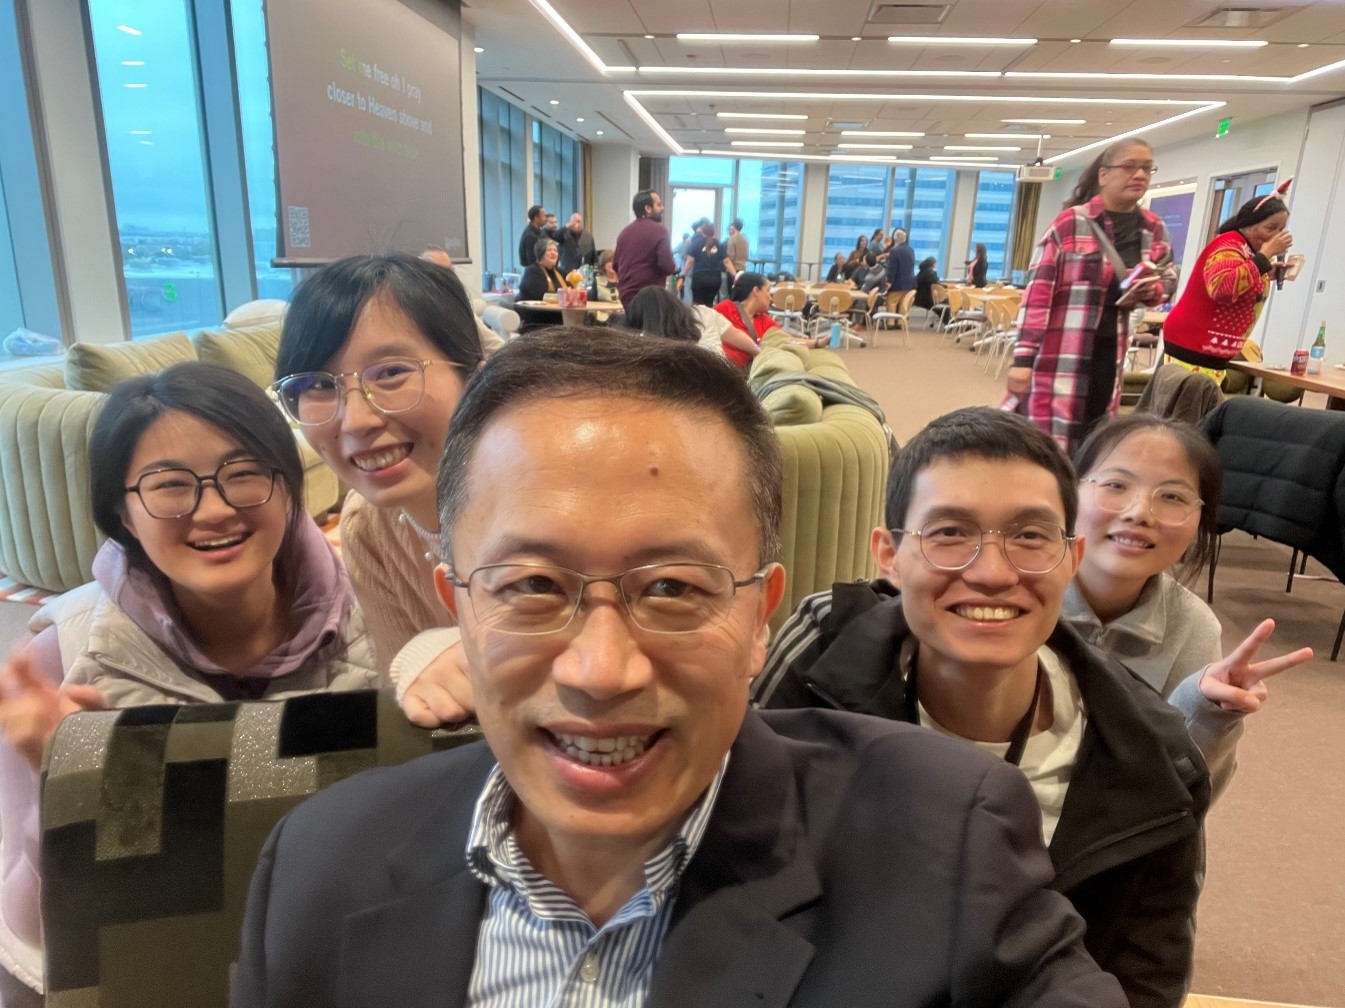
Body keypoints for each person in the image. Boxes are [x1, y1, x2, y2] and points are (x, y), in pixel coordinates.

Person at [234, 330, 1128, 1008]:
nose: (601, 669)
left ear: (756, 616)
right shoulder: (319, 865)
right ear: (458, 605)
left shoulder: (944, 842)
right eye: (531, 585)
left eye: (671, 588)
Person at [753, 406, 1210, 1008]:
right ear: (888, 555)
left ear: (1070, 557)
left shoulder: (1154, 759)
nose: (993, 573)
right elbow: (741, 881)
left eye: (1030, 536)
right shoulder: (820, 657)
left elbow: (1144, 979)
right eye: (949, 534)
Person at [0, 362, 376, 1004]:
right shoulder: (61, 662)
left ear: (289, 487)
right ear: (122, 512)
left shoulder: (380, 624)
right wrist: (64, 794)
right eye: (170, 486)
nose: (213, 508)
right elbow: (27, 939)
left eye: (243, 474)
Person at [1066, 413, 1312, 800]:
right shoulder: (1020, 593)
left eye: (1172, 497)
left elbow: (1183, 805)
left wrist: (1208, 714)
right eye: (1115, 484)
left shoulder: (1193, 627)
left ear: (1201, 519)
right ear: (1070, 492)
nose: (1139, 513)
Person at [272, 252, 484, 683]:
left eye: (390, 372)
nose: (356, 421)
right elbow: (408, 708)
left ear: (475, 380)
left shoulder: (549, 503)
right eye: (316, 385)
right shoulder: (367, 528)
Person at [1005, 136, 1175, 453]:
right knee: (1048, 444)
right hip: (1059, 357)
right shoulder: (1071, 223)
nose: (1139, 175)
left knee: (1095, 443)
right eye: (1129, 166)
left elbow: (1168, 276)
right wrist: (1022, 360)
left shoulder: (1153, 228)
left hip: (1111, 355)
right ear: (1104, 175)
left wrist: (1155, 289)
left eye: (1147, 168)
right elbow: (1037, 294)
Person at [1159, 193, 1293, 381]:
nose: (1278, 236)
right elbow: (1223, 288)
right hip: (1194, 346)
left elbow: (1242, 280)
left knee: (1201, 406)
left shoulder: (1246, 251)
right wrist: (1264, 258)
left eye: (1282, 229)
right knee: (1188, 407)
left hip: (1210, 351)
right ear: (1248, 224)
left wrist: (1265, 271)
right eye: (1271, 228)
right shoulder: (1228, 245)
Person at [715, 272, 827, 368]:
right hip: (714, 366)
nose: (770, 297)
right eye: (767, 291)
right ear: (756, 291)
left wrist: (816, 343)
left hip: (735, 376)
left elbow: (786, 341)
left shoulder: (765, 322)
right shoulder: (725, 308)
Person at [623, 284, 738, 358]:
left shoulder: (653, 350)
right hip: (725, 385)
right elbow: (736, 336)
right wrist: (756, 350)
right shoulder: (703, 314)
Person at [612, 189, 678, 306]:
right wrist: (675, 267)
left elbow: (615, 266)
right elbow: (667, 266)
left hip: (625, 297)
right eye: (659, 205)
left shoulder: (624, 233)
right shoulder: (660, 231)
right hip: (650, 299)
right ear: (648, 208)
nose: (662, 208)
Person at [682, 218, 734, 307]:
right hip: (715, 279)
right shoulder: (718, 244)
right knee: (709, 304)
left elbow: (690, 260)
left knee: (698, 305)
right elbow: (726, 261)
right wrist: (735, 275)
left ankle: (699, 320)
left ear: (702, 231)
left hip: (699, 278)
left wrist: (683, 273)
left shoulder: (696, 243)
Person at [517, 238, 571, 303]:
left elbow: (573, 289)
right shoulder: (532, 271)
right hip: (533, 311)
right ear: (541, 253)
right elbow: (543, 295)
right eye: (549, 250)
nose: (553, 253)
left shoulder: (560, 272)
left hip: (555, 309)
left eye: (555, 250)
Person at [914, 256, 948, 325]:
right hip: (926, 299)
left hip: (919, 298)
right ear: (933, 264)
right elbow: (937, 285)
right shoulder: (931, 273)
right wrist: (948, 286)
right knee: (946, 304)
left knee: (942, 306)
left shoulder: (921, 272)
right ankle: (949, 323)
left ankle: (947, 322)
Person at [884, 227, 915, 297]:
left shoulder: (894, 251)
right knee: (903, 307)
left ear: (894, 238)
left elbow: (892, 268)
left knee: (892, 304)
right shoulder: (911, 250)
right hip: (909, 285)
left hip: (897, 285)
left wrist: (889, 281)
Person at [517, 204, 548, 268]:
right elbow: (532, 261)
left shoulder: (540, 232)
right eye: (544, 216)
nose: (546, 218)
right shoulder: (530, 236)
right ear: (536, 218)